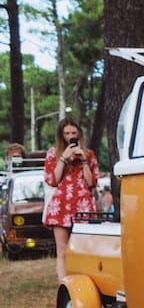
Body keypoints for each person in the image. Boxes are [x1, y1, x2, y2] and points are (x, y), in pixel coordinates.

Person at [43, 118, 99, 281]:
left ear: (79, 134)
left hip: (83, 205)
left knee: (83, 248)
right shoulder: (53, 153)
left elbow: (91, 182)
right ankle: (64, 284)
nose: (70, 136)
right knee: (62, 250)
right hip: (61, 205)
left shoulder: (89, 154)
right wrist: (63, 159)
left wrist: (84, 161)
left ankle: (83, 281)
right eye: (67, 133)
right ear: (61, 135)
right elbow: (52, 180)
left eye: (73, 133)